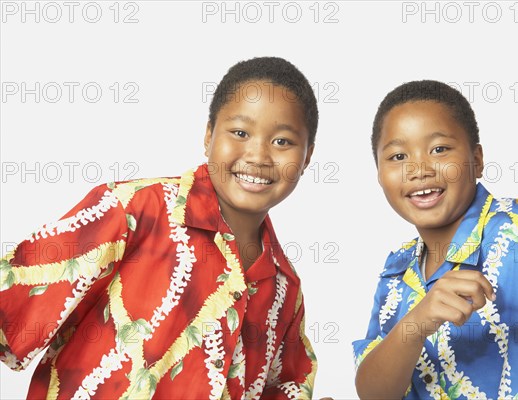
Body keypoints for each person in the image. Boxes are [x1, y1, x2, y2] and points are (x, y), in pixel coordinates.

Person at [0, 56, 319, 399]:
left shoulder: (284, 286)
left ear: (307, 157)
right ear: (209, 135)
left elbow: (284, 385)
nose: (258, 155)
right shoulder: (134, 209)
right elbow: (11, 304)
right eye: (240, 133)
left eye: (282, 142)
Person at [353, 80, 518, 399]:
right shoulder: (396, 272)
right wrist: (417, 321)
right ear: (379, 175)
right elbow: (375, 394)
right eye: (398, 156)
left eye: (439, 149)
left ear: (478, 159)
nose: (418, 169)